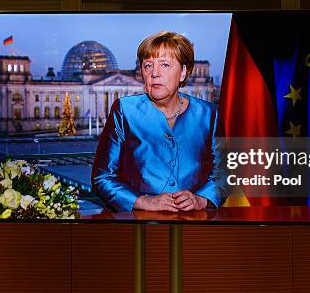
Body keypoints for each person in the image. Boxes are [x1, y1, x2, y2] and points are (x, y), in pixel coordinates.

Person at [91, 31, 231, 212]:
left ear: (182, 73)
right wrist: (143, 202)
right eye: (148, 65)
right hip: (136, 225)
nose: (155, 73)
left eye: (165, 65)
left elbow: (224, 174)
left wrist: (201, 199)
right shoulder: (124, 110)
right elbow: (102, 178)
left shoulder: (209, 113)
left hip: (193, 226)